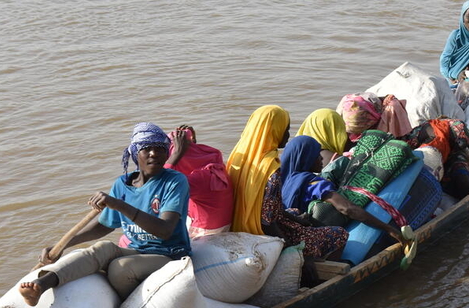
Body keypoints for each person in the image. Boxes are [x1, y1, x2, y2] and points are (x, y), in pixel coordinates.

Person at [21, 122, 191, 304]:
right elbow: (103, 225)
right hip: (138, 250)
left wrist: (118, 204)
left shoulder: (174, 182)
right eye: (146, 148)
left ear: (167, 152)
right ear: (135, 153)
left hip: (170, 254)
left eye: (160, 148)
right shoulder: (122, 184)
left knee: (120, 268)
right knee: (102, 248)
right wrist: (63, 244)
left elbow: (164, 230)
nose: (154, 153)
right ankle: (40, 285)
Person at [226, 105, 348, 259]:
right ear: (274, 130)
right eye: (286, 129)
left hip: (241, 226)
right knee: (338, 234)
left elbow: (264, 206)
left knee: (297, 213)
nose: (288, 134)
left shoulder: (237, 157)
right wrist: (293, 249)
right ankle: (317, 271)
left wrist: (297, 220)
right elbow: (267, 222)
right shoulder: (270, 167)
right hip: (262, 232)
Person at [279, 135, 412, 246]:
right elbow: (347, 209)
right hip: (301, 238)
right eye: (316, 154)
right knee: (339, 234)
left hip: (284, 235)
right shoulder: (313, 184)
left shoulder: (281, 181)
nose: (321, 158)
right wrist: (389, 229)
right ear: (306, 158)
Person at [402, 117, 469, 198]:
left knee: (463, 180)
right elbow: (405, 149)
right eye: (461, 142)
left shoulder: (458, 129)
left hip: (453, 154)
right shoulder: (419, 133)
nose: (461, 143)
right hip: (430, 159)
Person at [164, 125, 233, 238]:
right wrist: (191, 143)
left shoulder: (198, 179)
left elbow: (160, 186)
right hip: (216, 224)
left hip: (206, 232)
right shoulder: (211, 164)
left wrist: (175, 155)